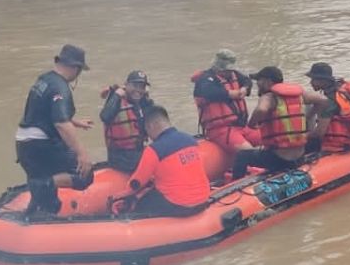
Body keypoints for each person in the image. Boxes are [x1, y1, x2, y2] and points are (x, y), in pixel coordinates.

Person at [16, 44, 95, 215]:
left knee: (51, 205)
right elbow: (60, 124)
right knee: (85, 175)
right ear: (75, 68)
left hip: (24, 145)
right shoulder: (60, 87)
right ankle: (42, 184)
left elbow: (45, 111)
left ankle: (33, 210)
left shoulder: (44, 79)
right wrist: (82, 154)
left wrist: (75, 121)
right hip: (40, 145)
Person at [111, 106, 209, 217]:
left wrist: (120, 196)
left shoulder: (154, 149)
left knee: (140, 203)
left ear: (151, 126)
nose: (148, 136)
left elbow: (137, 183)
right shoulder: (191, 140)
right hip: (203, 199)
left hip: (180, 205)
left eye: (147, 131)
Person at [231, 66, 308, 180]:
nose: (257, 83)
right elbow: (322, 101)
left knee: (242, 155)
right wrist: (310, 117)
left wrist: (252, 124)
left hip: (278, 159)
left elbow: (261, 109)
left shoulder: (268, 97)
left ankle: (235, 185)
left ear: (268, 81)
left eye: (259, 80)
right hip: (299, 156)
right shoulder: (298, 95)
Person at [191, 49, 261, 152]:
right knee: (249, 153)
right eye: (227, 70)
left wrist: (245, 89)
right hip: (220, 130)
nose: (230, 72)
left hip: (241, 126)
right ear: (218, 68)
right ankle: (250, 164)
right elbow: (211, 93)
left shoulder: (234, 74)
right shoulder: (204, 80)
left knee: (269, 139)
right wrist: (232, 94)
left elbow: (247, 80)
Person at [303, 62, 350, 154]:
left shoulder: (329, 102)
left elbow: (319, 134)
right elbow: (318, 106)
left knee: (305, 145)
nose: (311, 83)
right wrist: (307, 117)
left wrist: (300, 137)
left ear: (323, 81)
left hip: (338, 145)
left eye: (313, 79)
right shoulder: (340, 89)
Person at [100, 70, 154, 173]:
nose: (138, 90)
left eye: (141, 87)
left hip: (136, 152)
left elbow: (155, 118)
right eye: (135, 85)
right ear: (126, 85)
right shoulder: (116, 99)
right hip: (120, 157)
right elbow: (105, 117)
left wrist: (147, 100)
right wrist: (116, 96)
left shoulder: (141, 101)